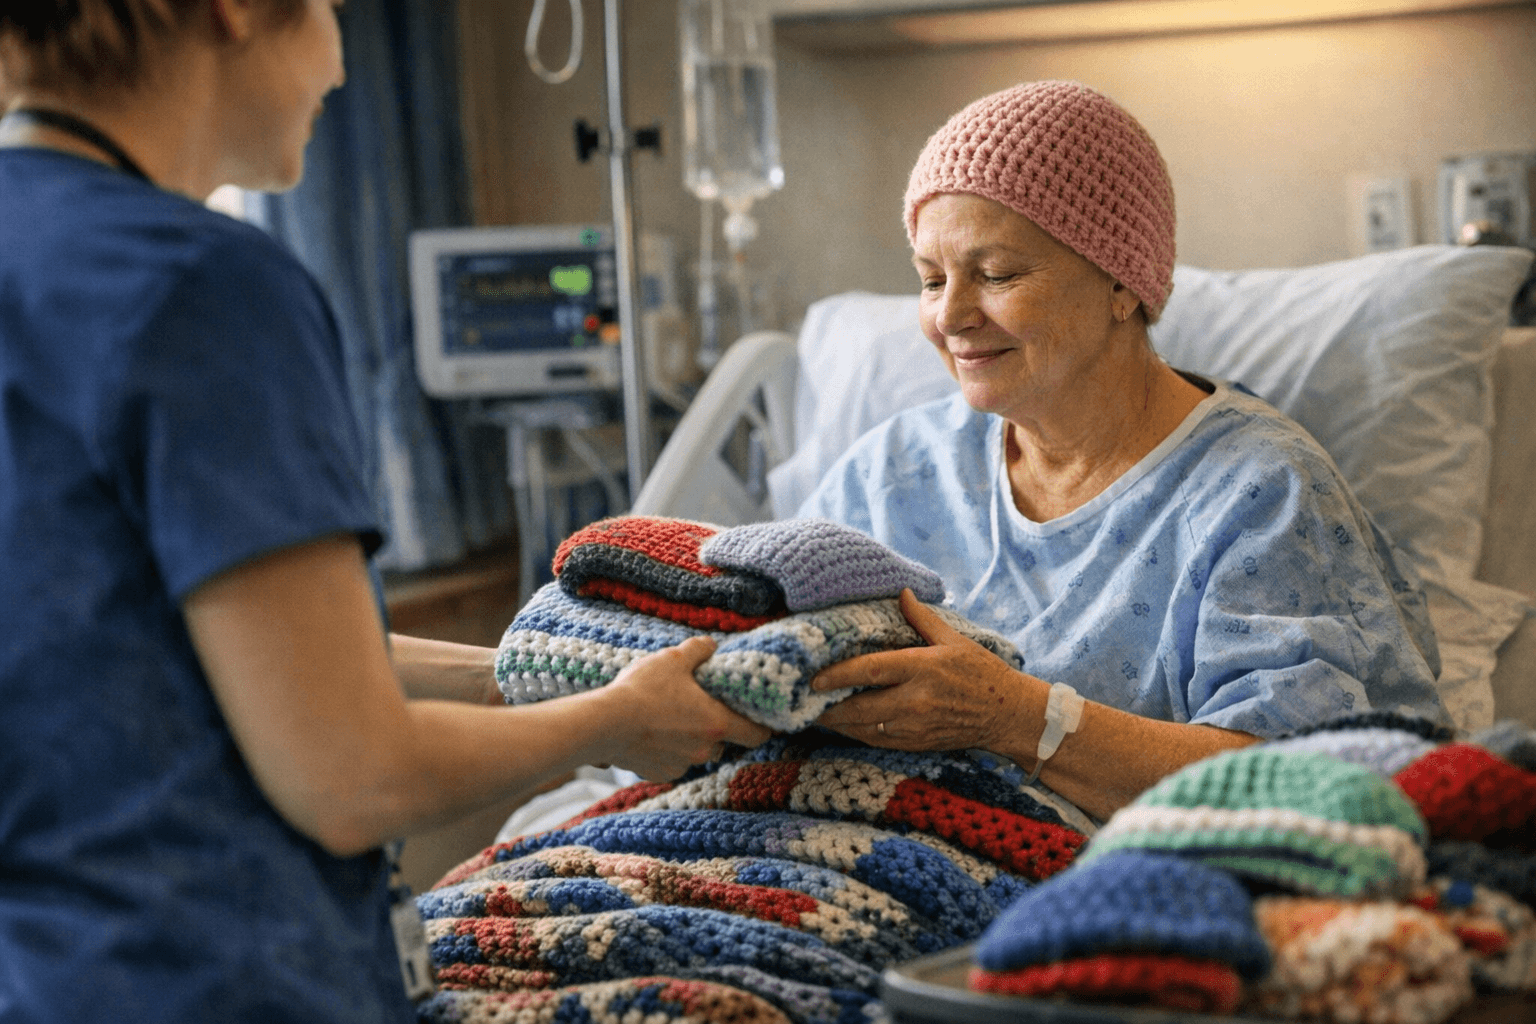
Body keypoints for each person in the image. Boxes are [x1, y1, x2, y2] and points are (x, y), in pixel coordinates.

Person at [0, 2, 768, 1021]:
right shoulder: (202, 285)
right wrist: (620, 718)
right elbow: (351, 774)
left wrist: (544, 676)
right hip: (206, 975)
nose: (338, 59)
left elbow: (196, 647)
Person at [801, 80, 1447, 821]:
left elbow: (1298, 780)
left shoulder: (1258, 491)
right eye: (931, 279)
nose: (950, 315)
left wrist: (1017, 718)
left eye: (997, 274)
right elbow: (755, 632)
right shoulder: (893, 473)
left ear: (1120, 283)